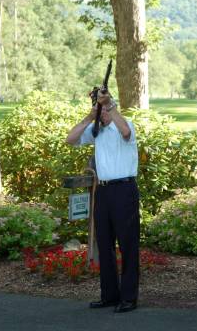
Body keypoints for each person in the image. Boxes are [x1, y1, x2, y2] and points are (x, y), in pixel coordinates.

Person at [66, 89, 139, 313]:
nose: (104, 114)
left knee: (127, 245)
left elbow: (125, 131)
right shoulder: (95, 129)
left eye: (106, 109)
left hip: (124, 190)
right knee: (104, 245)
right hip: (103, 192)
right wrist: (89, 117)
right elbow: (70, 139)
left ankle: (128, 298)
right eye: (101, 109)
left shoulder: (123, 124)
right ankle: (109, 295)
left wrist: (109, 105)